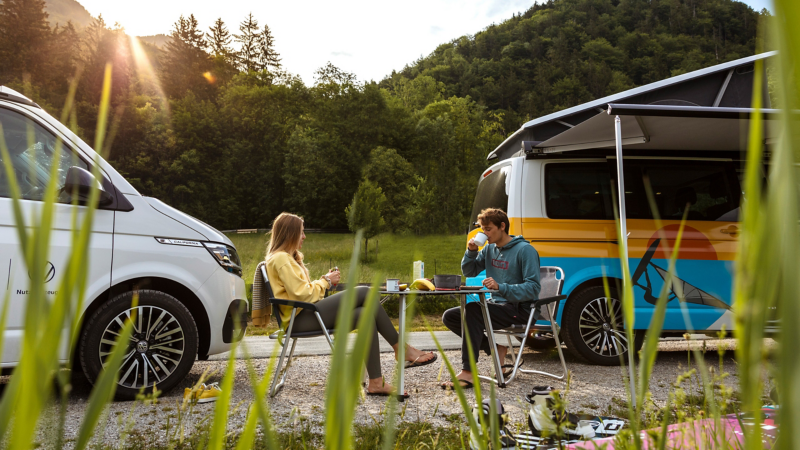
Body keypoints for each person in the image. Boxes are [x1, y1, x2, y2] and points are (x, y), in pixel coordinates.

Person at [265, 212, 437, 396]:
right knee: (364, 292)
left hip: (306, 314)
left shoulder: (283, 258)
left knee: (364, 315)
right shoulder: (281, 258)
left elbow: (300, 291)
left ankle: (376, 382)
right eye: (301, 232)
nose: (304, 237)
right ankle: (401, 349)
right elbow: (302, 295)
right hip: (301, 318)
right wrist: (326, 281)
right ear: (290, 233)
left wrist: (325, 282)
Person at [441, 208, 541, 390]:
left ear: (502, 226)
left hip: (521, 310)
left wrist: (500, 287)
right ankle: (495, 349)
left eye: (488, 229)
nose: (484, 234)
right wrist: (471, 252)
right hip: (496, 305)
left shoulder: (525, 250)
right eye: (482, 229)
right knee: (451, 316)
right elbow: (469, 271)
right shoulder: (489, 250)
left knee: (473, 310)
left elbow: (533, 288)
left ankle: (468, 372)